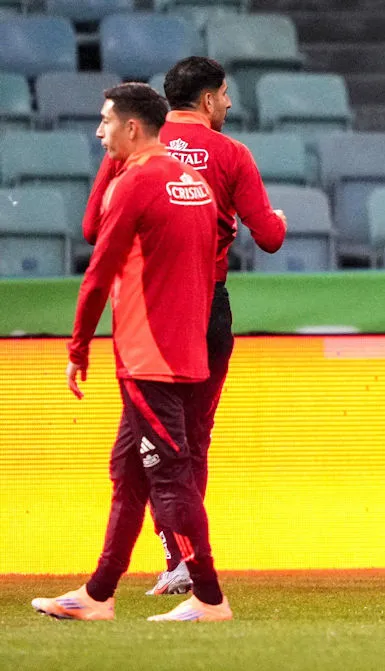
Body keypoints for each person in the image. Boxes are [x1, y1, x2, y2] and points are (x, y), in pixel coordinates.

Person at [81, 56, 288, 596]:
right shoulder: (231, 153)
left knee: (143, 445)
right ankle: (190, 576)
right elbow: (269, 236)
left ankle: (168, 563)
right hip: (205, 305)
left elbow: (90, 228)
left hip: (146, 312)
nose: (228, 104)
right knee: (190, 440)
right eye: (224, 95)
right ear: (208, 99)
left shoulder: (138, 141)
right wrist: (275, 221)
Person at [31, 83, 231, 621]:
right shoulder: (194, 183)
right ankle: (98, 594)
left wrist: (78, 347)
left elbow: (98, 272)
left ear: (132, 127)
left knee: (169, 476)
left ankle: (210, 599)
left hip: (149, 357)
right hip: (187, 350)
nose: (100, 132)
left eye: (105, 122)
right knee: (130, 470)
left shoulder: (136, 182)